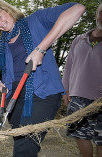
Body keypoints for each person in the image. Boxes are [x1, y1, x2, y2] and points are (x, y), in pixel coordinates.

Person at [0, 1, 85, 156]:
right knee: (24, 145)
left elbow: (78, 8)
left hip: (42, 92)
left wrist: (40, 48)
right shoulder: (0, 44)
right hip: (14, 97)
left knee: (24, 148)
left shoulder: (36, 20)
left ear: (7, 10)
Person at [62, 4, 102, 157]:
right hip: (78, 97)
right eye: (101, 13)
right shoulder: (79, 40)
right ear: (96, 15)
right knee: (79, 135)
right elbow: (69, 66)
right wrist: (65, 89)